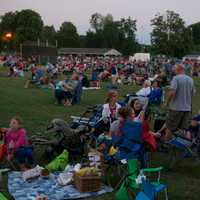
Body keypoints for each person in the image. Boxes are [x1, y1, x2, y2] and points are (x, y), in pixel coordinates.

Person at [164, 64, 195, 141]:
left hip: (176, 107)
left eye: (174, 69)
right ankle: (181, 143)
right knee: (183, 128)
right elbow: (193, 93)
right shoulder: (190, 79)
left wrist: (167, 102)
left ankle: (166, 143)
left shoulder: (176, 78)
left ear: (179, 69)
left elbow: (172, 92)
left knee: (170, 127)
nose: (173, 70)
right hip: (187, 108)